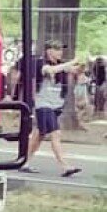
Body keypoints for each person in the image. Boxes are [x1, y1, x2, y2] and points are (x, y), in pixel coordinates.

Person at [23, 41, 82, 177]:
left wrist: (80, 66)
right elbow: (50, 70)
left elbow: (75, 71)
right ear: (49, 51)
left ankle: (24, 161)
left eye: (61, 49)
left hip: (55, 105)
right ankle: (65, 166)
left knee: (39, 135)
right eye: (57, 49)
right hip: (44, 105)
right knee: (55, 134)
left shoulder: (60, 65)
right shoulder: (41, 64)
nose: (60, 52)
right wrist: (71, 62)